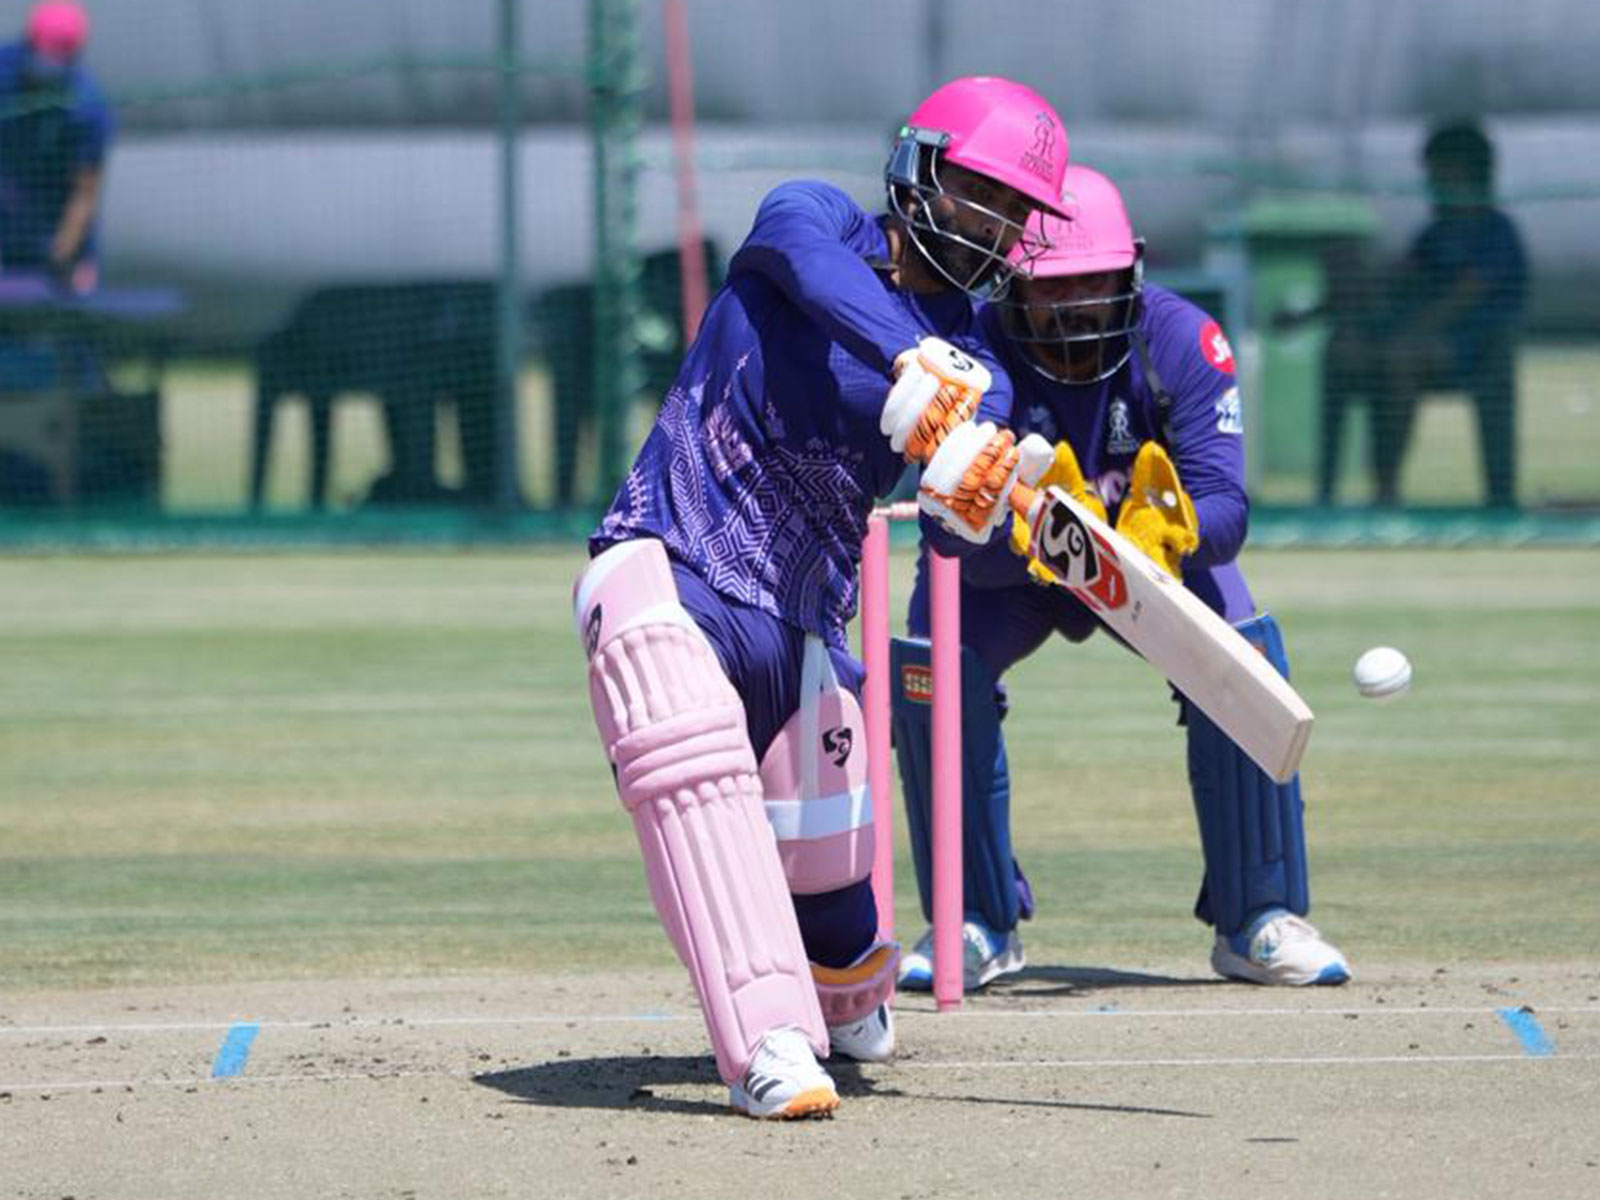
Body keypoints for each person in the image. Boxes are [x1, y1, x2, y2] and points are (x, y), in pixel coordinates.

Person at [573, 77, 1069, 1119]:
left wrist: (975, 503)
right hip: (674, 565)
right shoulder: (814, 218)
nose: (999, 225)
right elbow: (802, 265)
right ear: (922, 167)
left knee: (838, 906)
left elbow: (941, 537)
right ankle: (768, 1042)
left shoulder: (984, 367)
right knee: (685, 754)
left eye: (1018, 211)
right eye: (984, 193)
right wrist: (905, 356)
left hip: (803, 629)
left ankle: (840, 1000)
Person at [892, 164, 1351, 994]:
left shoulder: (1182, 339)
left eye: (1092, 284)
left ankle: (1259, 919)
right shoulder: (975, 345)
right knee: (930, 663)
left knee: (1241, 650)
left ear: (1129, 272)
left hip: (1146, 566)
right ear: (1012, 286)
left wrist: (1168, 532)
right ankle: (974, 921)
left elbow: (1227, 507)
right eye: (1050, 290)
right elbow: (949, 529)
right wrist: (1023, 520)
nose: (1072, 308)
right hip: (1012, 567)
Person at [1320, 120, 1527, 507]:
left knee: (1400, 359)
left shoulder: (1496, 232)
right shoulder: (1434, 233)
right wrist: (1338, 289)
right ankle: (1328, 493)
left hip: (1474, 351)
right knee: (1343, 351)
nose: (1429, 180)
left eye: (1438, 170)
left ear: (1464, 172)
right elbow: (1398, 279)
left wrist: (1410, 334)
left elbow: (1466, 293)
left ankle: (1386, 491)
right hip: (1409, 341)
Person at [0, 1, 112, 293]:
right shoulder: (4, 70)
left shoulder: (88, 105)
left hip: (51, 236)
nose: (51, 62)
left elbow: (85, 191)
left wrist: (65, 254)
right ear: (30, 39)